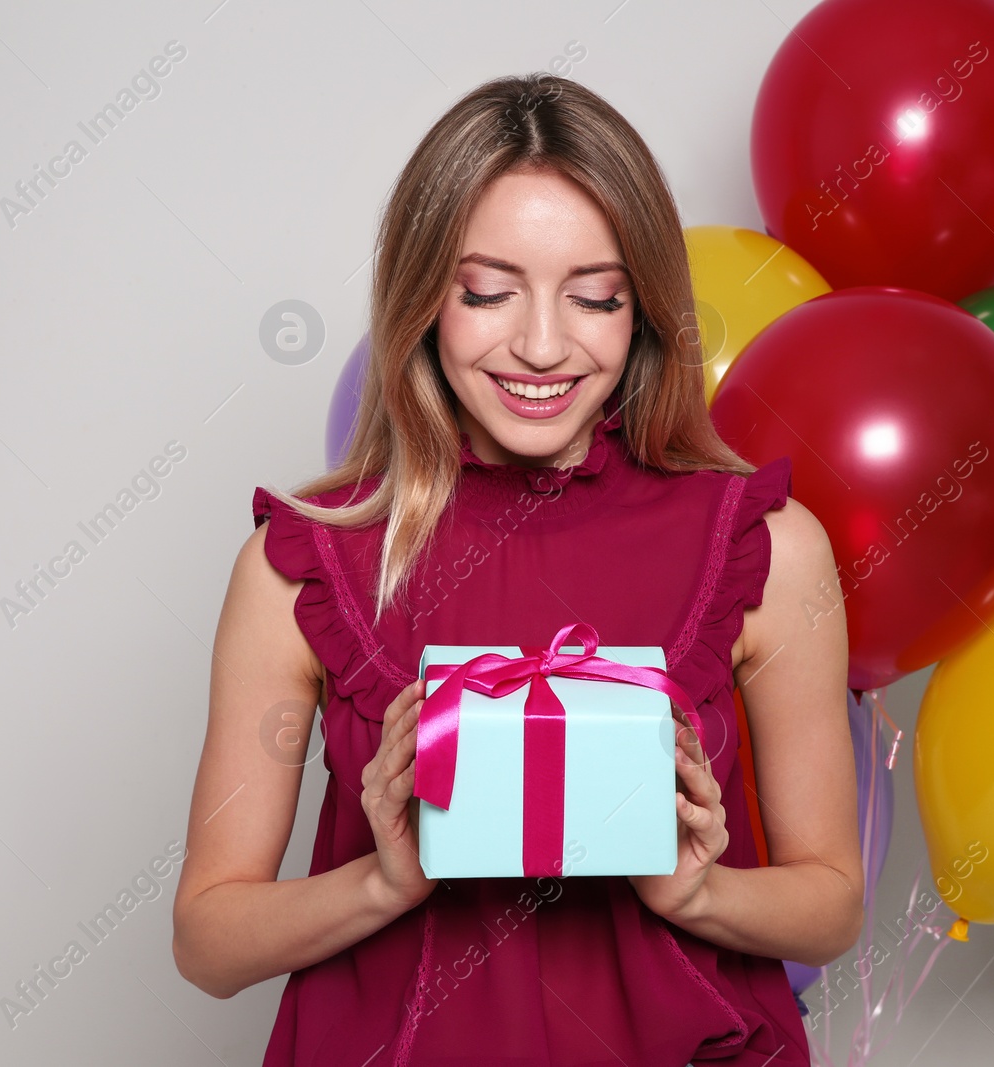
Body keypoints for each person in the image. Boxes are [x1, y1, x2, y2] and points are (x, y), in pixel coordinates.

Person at [171, 72, 862, 1066]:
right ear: (422, 298)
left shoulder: (765, 544)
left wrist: (696, 888)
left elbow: (831, 903)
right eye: (487, 291)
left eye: (594, 296)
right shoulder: (301, 564)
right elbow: (207, 940)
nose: (541, 344)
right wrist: (383, 879)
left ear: (644, 312)